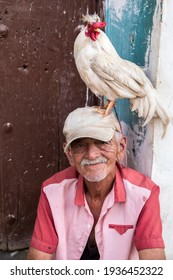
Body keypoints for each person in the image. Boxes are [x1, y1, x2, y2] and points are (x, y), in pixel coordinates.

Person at [27, 106, 166, 260]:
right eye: (80, 145)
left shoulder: (144, 194)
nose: (92, 155)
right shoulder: (52, 191)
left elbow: (154, 265)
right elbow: (38, 262)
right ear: (69, 154)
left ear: (121, 147)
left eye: (101, 142)